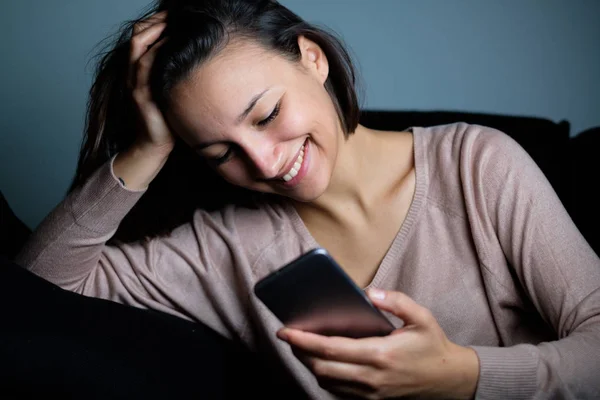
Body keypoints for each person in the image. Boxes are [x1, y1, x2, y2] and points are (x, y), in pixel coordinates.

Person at [16, 0, 600, 399]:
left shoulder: (477, 166)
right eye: (221, 153)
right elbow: (36, 298)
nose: (266, 164)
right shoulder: (220, 248)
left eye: (267, 114)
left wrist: (463, 377)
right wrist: (146, 146)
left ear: (312, 59)